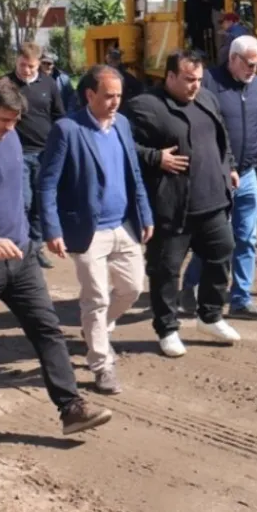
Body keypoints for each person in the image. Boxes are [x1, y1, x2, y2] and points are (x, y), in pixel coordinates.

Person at [0, 76, 113, 445]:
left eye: (15, 121)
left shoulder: (11, 137)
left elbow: (23, 194)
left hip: (21, 256)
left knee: (47, 329)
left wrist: (35, 234)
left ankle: (71, 408)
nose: (11, 128)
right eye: (4, 120)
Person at [38, 65, 154, 395]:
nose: (116, 102)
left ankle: (96, 330)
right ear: (90, 95)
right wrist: (52, 229)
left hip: (124, 225)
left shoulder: (123, 125)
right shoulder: (67, 130)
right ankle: (102, 364)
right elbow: (47, 185)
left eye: (119, 96)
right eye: (108, 96)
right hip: (88, 232)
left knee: (131, 288)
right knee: (96, 298)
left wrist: (145, 214)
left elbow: (133, 173)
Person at [124, 49, 241, 358]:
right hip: (172, 206)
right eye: (189, 79)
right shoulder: (144, 107)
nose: (195, 86)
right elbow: (121, 144)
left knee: (222, 252)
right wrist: (155, 157)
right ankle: (167, 329)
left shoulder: (206, 100)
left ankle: (210, 316)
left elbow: (221, 137)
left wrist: (229, 166)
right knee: (166, 270)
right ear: (170, 76)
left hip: (212, 201)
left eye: (199, 79)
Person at [179, 35, 257, 321]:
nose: (254, 69)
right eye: (249, 63)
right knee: (216, 239)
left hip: (248, 174)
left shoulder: (255, 85)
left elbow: (256, 123)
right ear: (233, 58)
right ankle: (190, 287)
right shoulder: (208, 82)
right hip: (216, 174)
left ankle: (241, 300)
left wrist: (256, 148)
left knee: (246, 237)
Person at [8, 41, 65, 270]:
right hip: (18, 153)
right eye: (22, 65)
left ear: (38, 64)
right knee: (23, 201)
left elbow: (59, 115)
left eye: (31, 66)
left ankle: (36, 247)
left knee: (41, 203)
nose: (27, 70)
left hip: (45, 154)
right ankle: (20, 245)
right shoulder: (6, 85)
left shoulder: (49, 84)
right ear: (16, 61)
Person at [106, 47, 145, 114]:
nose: (113, 62)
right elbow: (139, 88)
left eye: (115, 59)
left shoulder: (101, 74)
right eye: (113, 59)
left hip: (116, 109)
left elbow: (138, 88)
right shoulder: (126, 76)